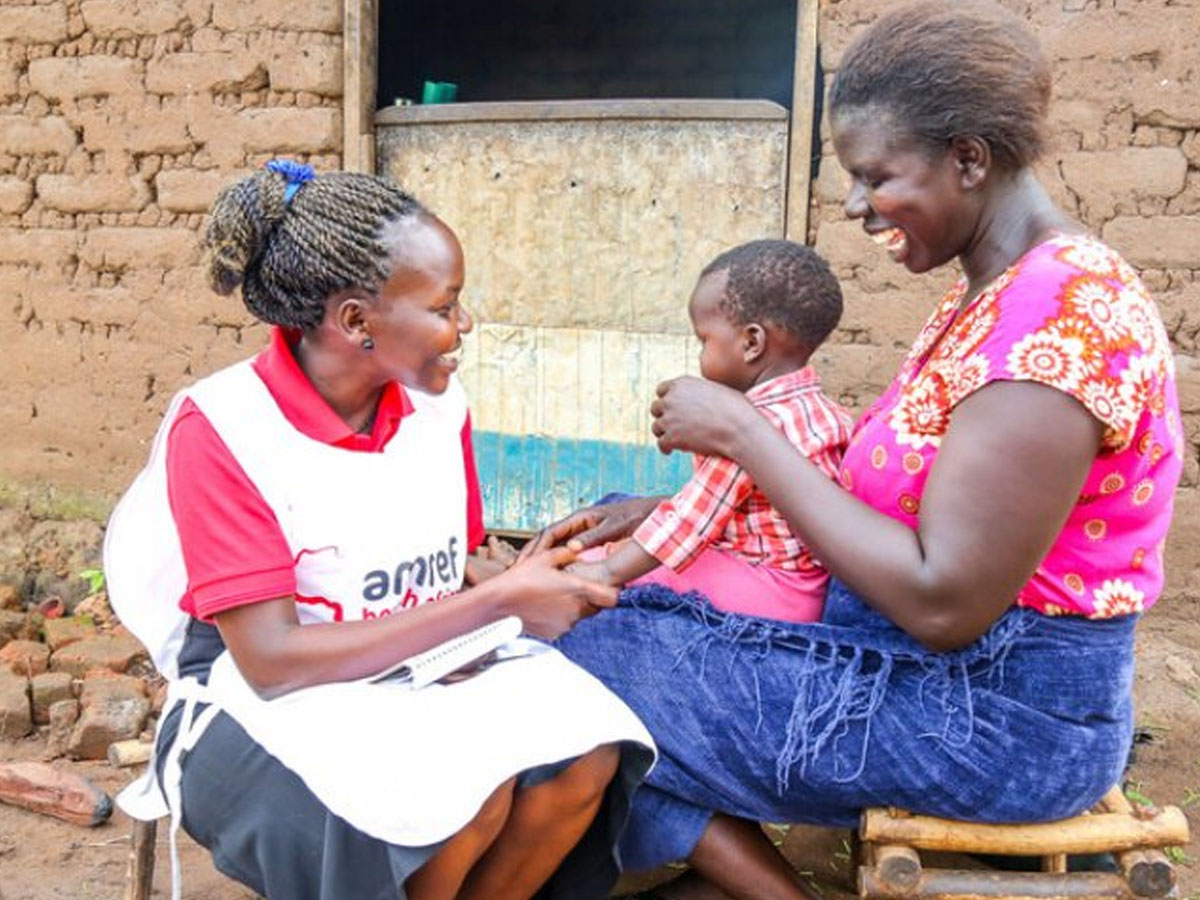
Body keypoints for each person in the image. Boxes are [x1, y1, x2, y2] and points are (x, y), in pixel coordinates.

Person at [542, 3, 1185, 899]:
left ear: (968, 159)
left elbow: (943, 602)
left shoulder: (1059, 320)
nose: (853, 204)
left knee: (582, 656)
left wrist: (745, 436)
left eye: (875, 176)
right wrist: (673, 509)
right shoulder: (994, 294)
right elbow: (901, 496)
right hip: (920, 667)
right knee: (618, 591)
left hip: (993, 720)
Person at [103, 161, 654, 900]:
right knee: (461, 801)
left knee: (585, 757)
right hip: (257, 694)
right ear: (358, 322)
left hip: (412, 660)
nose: (465, 324)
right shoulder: (226, 428)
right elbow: (271, 661)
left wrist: (535, 575)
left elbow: (449, 564)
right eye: (445, 306)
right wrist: (499, 602)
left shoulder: (437, 408)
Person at [570, 240, 852, 624]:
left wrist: (604, 571)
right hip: (811, 587)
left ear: (751, 343)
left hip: (764, 588)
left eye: (704, 340)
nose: (700, 353)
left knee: (613, 562)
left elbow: (689, 520)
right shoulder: (827, 413)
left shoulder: (745, 427)